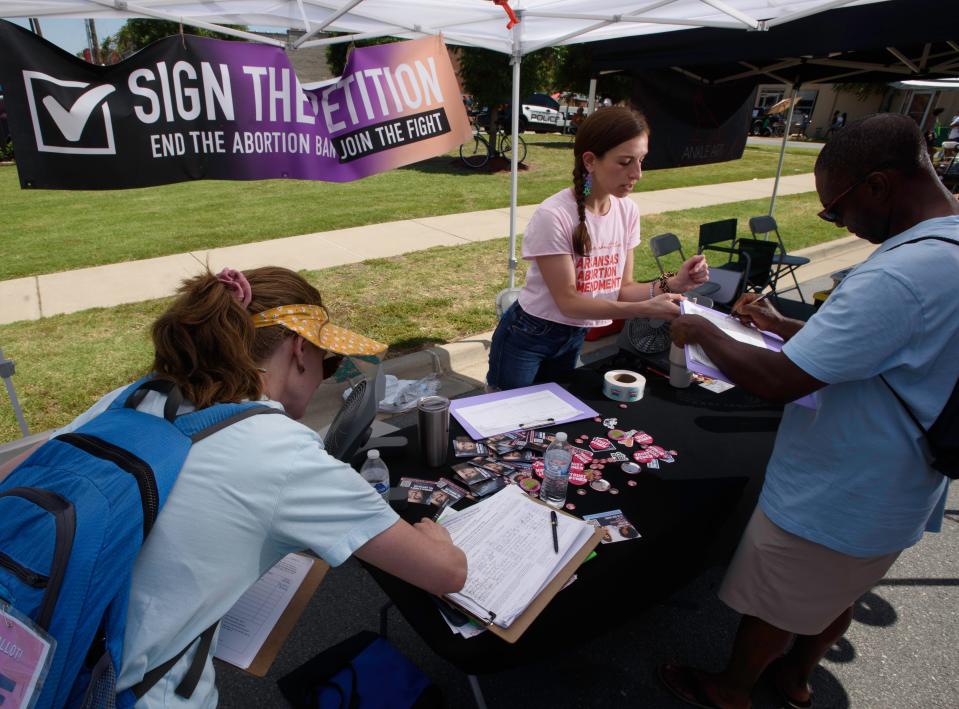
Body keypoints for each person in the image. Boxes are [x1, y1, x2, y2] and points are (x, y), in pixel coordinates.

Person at [0, 266, 467, 707]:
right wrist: (435, 535)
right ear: (298, 350)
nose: (325, 376)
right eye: (330, 362)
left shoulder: (129, 397)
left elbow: (19, 477)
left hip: (37, 653)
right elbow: (445, 574)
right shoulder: (281, 451)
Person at [660, 113, 959, 709]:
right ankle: (796, 679)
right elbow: (882, 347)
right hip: (900, 486)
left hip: (843, 488)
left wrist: (702, 331)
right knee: (839, 591)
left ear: (877, 185)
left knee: (779, 600)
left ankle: (730, 690)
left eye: (834, 208)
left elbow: (778, 380)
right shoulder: (948, 248)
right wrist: (782, 324)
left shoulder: (900, 273)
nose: (837, 221)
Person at [486, 107, 710, 390]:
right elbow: (568, 301)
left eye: (641, 160)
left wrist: (674, 281)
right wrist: (642, 309)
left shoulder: (627, 211)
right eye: (625, 161)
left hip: (574, 334)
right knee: (508, 416)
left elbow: (623, 288)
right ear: (590, 161)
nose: (637, 173)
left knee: (551, 411)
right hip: (529, 335)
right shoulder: (554, 216)